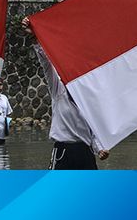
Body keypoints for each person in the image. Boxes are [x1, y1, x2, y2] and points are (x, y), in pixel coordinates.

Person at [21, 17, 109, 169]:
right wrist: (34, 37)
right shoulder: (58, 89)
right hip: (63, 150)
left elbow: (94, 130)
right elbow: (46, 65)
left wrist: (100, 148)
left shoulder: (89, 98)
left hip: (85, 151)